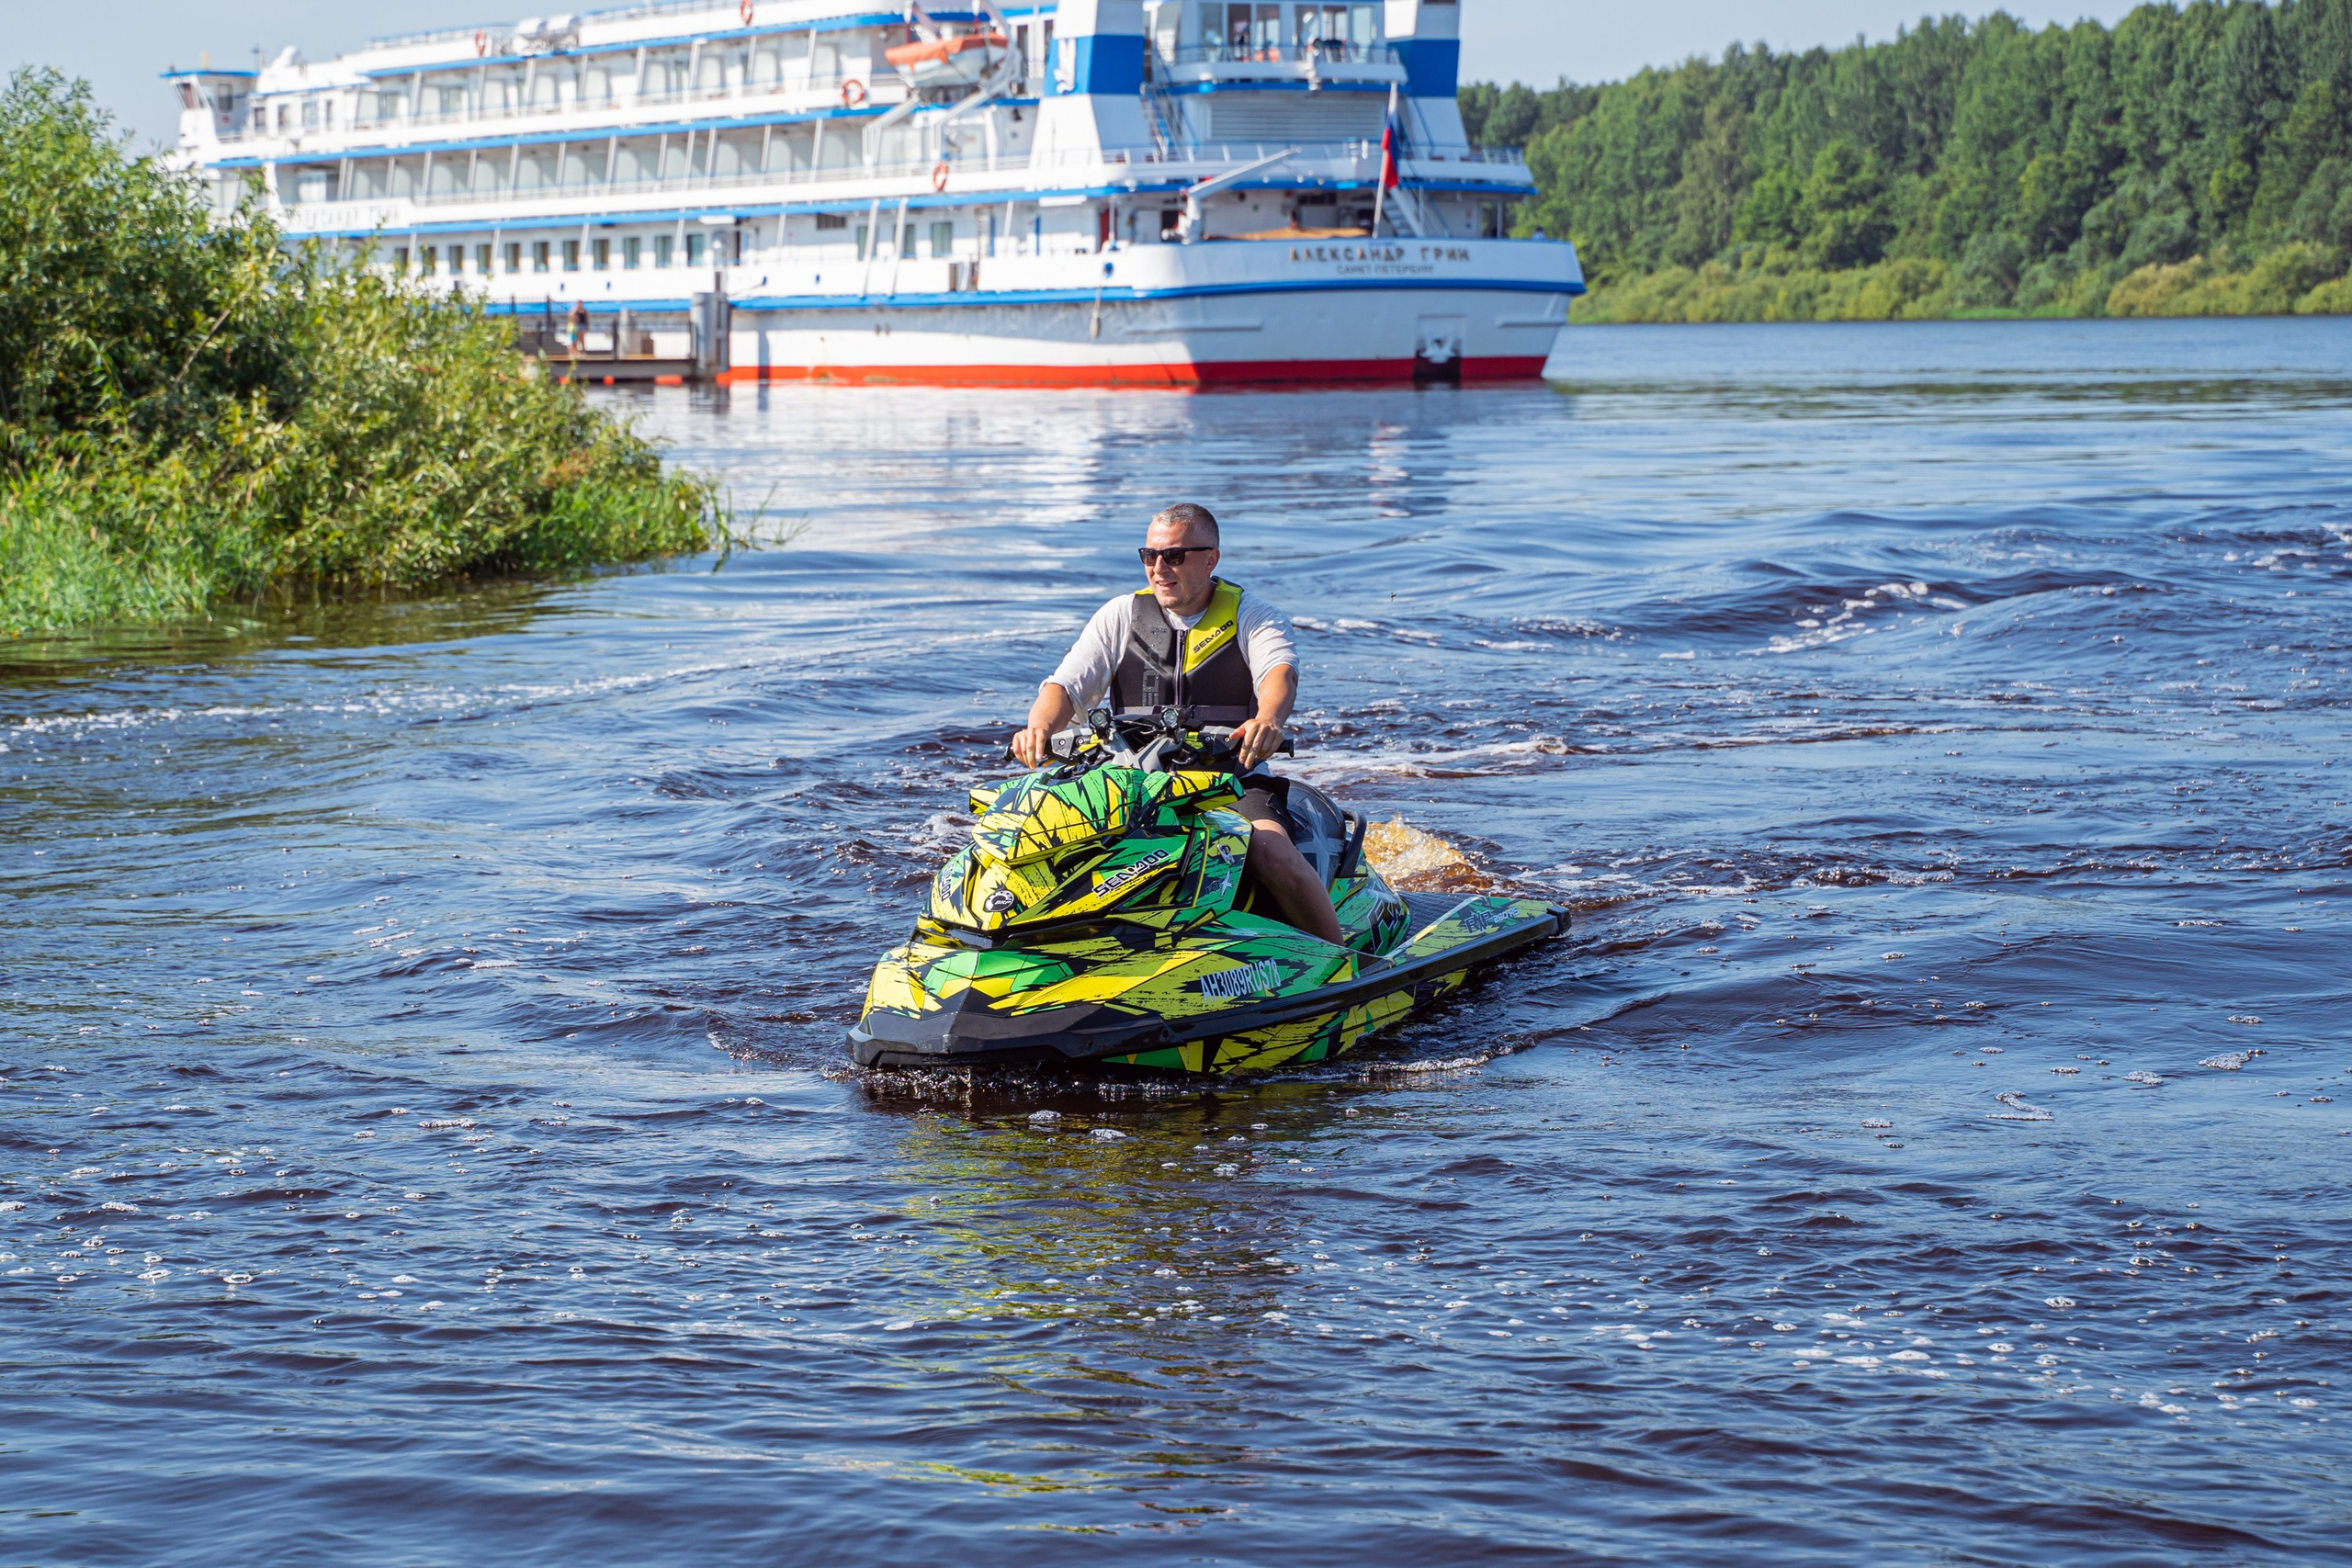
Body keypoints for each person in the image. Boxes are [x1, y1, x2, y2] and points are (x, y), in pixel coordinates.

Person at [1012, 502, 1345, 945]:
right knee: (1042, 838)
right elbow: (1066, 686)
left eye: (1173, 555)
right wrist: (1039, 726)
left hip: (1229, 779)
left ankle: (1345, 962)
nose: (1158, 568)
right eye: (1149, 555)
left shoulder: (1253, 616)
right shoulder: (1121, 615)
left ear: (1211, 559)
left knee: (1270, 853)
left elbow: (1279, 673)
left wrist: (1267, 720)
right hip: (1129, 779)